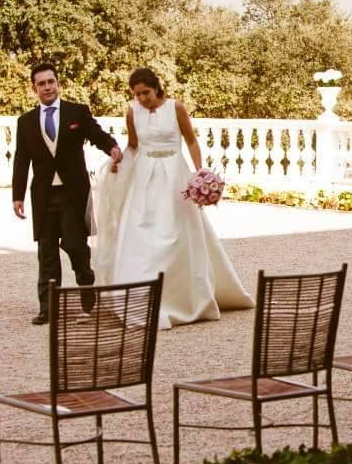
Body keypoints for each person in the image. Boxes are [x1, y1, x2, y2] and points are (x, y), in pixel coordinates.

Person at [92, 67, 253, 329]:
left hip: (174, 174)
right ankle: (141, 296)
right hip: (144, 176)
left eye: (146, 92)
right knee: (140, 230)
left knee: (179, 230)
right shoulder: (133, 112)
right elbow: (134, 145)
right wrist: (119, 160)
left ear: (157, 87)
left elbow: (190, 141)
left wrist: (199, 173)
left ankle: (186, 296)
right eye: (137, 94)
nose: (142, 98)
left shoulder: (175, 108)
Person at [12, 63, 123, 325]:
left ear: (58, 83)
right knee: (47, 252)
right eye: (41, 83)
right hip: (43, 196)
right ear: (34, 88)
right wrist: (17, 196)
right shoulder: (25, 122)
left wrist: (112, 147)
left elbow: (95, 133)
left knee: (74, 245)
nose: (47, 87)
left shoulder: (77, 112)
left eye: (51, 81)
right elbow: (21, 160)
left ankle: (86, 282)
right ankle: (48, 307)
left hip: (73, 194)